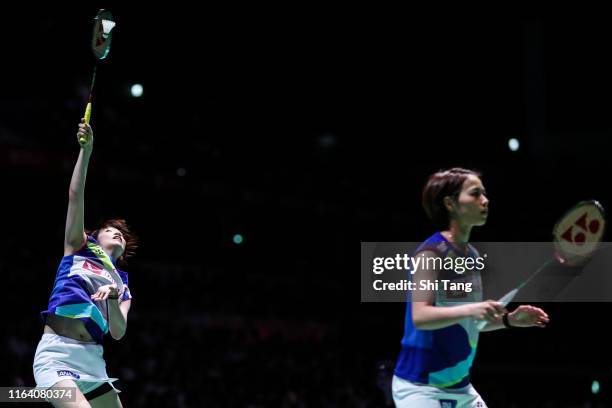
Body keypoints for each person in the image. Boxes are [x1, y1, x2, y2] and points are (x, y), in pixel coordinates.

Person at [392, 168, 549, 408]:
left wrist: (509, 320)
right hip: (421, 388)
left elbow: (470, 323)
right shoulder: (430, 254)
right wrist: (472, 309)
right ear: (450, 203)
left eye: (484, 194)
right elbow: (420, 316)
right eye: (475, 194)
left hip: (461, 388)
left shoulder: (471, 255)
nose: (485, 200)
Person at [33, 119, 137, 407]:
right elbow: (75, 196)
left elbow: (118, 332)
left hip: (93, 362)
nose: (117, 233)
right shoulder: (77, 248)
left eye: (122, 235)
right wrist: (87, 150)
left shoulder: (122, 285)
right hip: (56, 355)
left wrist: (114, 299)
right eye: (109, 230)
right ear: (95, 236)